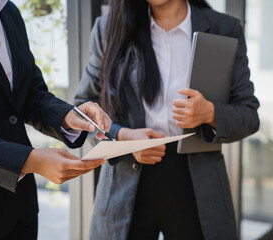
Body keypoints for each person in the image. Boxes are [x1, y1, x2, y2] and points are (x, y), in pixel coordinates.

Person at [75, 0, 259, 239]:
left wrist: (210, 113)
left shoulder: (224, 29)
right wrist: (123, 137)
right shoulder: (109, 27)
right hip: (126, 180)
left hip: (197, 183)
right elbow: (82, 109)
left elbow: (249, 115)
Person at [0, 0, 111, 239]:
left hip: (20, 210)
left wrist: (70, 116)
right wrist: (29, 160)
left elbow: (29, 92)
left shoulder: (8, 11)